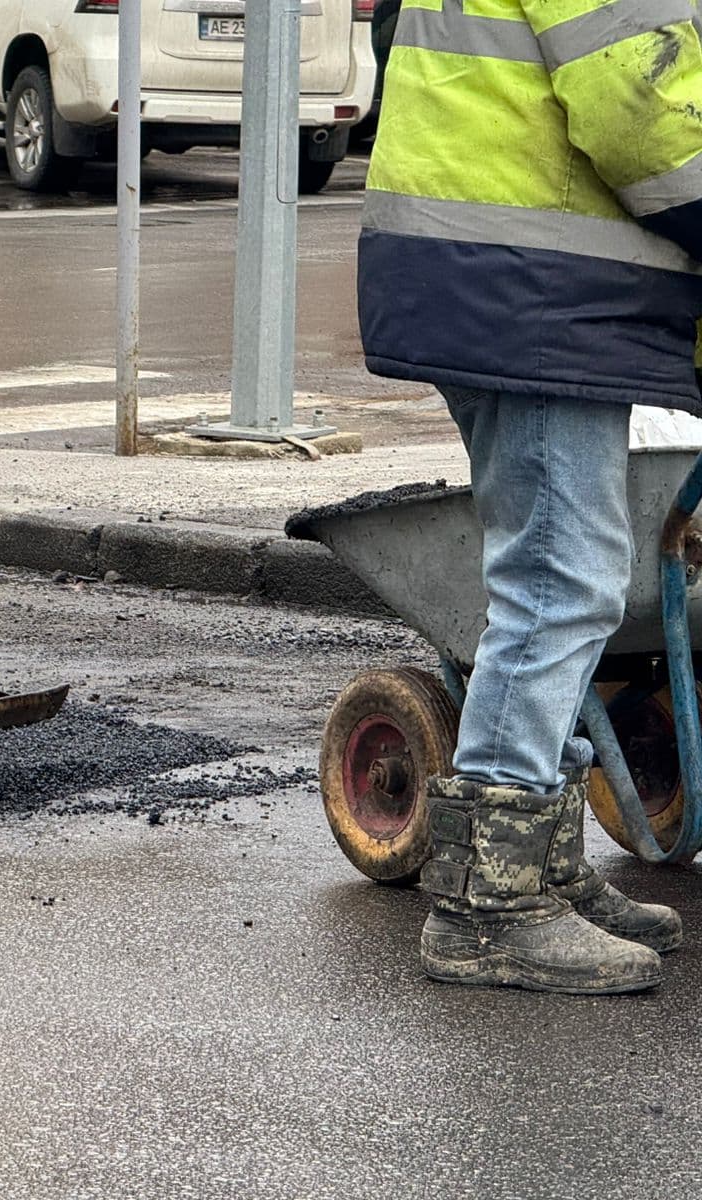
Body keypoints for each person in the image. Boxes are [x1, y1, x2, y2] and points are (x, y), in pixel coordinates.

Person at [357, 0, 697, 993]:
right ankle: (489, 908)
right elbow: (647, 116)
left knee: (568, 570)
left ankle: (538, 865)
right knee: (563, 577)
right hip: (530, 290)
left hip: (516, 282)